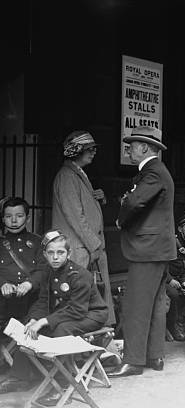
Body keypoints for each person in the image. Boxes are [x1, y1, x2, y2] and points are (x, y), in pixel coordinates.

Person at [0, 230, 108, 404]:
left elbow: (77, 310)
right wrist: (35, 319)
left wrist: (44, 321)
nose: (55, 257)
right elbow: (44, 301)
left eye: (60, 253)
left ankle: (63, 386)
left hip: (91, 314)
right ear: (44, 254)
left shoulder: (78, 275)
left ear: (69, 253)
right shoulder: (48, 273)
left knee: (61, 329)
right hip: (68, 312)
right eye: (51, 253)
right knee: (28, 325)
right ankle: (20, 377)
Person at [108, 126, 176, 378]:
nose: (128, 149)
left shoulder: (152, 172)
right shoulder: (156, 172)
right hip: (157, 248)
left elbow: (136, 202)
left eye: (132, 145)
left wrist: (121, 218)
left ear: (145, 147)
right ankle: (154, 356)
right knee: (156, 304)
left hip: (148, 249)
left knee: (136, 304)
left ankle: (134, 361)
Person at [51, 130, 114, 325]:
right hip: (80, 250)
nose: (93, 152)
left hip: (84, 249)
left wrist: (98, 200)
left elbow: (81, 210)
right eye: (89, 149)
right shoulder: (67, 177)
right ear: (76, 151)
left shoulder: (76, 174)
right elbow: (76, 217)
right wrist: (94, 245)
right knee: (80, 303)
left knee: (89, 301)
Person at [0, 197, 44, 330]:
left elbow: (44, 269)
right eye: (8, 216)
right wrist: (2, 283)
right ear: (3, 219)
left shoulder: (38, 242)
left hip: (31, 302)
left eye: (19, 216)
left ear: (28, 218)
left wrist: (29, 283)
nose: (13, 221)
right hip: (2, 304)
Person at [165, 214, 185, 342]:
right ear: (180, 229)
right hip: (165, 278)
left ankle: (181, 322)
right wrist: (170, 280)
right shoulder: (171, 243)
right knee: (174, 294)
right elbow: (161, 265)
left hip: (179, 280)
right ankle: (172, 325)